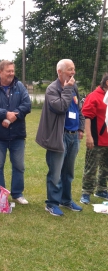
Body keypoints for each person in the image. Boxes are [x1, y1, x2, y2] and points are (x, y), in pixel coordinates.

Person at [36, 59, 84, 216]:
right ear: (60, 72)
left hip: (73, 136)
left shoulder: (74, 87)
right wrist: (68, 88)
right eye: (69, 69)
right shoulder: (52, 89)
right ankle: (52, 203)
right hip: (58, 136)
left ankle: (66, 200)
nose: (73, 72)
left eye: (73, 69)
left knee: (68, 172)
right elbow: (61, 107)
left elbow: (79, 109)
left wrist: (81, 128)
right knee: (55, 173)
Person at [0, 60, 31, 205]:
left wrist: (12, 117)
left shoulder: (19, 86)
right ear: (0, 72)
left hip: (17, 135)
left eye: (13, 71)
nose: (11, 73)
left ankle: (17, 194)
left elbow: (27, 105)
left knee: (19, 166)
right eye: (8, 71)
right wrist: (5, 114)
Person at [80, 73, 108, 204]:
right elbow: (87, 117)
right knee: (91, 167)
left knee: (105, 167)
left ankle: (101, 189)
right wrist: (89, 137)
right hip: (96, 139)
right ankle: (86, 192)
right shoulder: (94, 96)